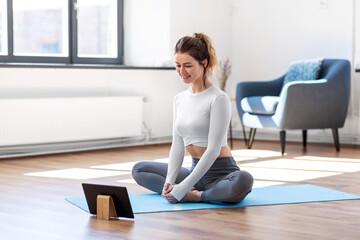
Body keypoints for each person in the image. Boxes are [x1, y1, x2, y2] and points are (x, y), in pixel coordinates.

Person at [132, 33, 254, 203]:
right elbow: (178, 145)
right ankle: (194, 192)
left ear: (204, 63)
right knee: (139, 170)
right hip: (194, 172)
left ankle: (197, 196)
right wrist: (169, 182)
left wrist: (182, 188)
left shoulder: (218, 98)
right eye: (178, 65)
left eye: (188, 65)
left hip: (220, 174)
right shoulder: (179, 99)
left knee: (244, 180)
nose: (182, 71)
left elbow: (213, 150)